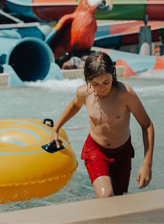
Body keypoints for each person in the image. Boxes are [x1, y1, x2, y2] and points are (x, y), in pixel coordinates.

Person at [50, 52, 154, 198]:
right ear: (88, 80)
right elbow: (74, 105)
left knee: (119, 199)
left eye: (106, 82)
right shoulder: (84, 92)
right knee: (106, 196)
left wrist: (147, 163)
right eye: (95, 84)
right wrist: (56, 128)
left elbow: (147, 125)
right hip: (96, 150)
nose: (102, 88)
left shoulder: (125, 94)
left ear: (113, 75)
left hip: (122, 152)